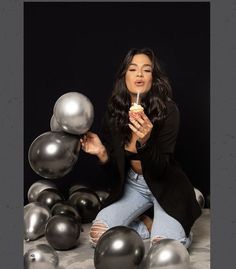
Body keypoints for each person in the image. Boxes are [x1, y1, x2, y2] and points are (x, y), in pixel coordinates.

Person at [80, 47, 202, 248]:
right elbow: (115, 173)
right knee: (98, 235)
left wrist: (146, 142)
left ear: (153, 78)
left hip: (165, 185)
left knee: (164, 245)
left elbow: (160, 168)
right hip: (133, 185)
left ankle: (179, 232)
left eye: (146, 70)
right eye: (133, 69)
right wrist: (101, 152)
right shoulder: (114, 114)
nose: (139, 74)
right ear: (124, 76)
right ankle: (147, 224)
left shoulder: (169, 111)